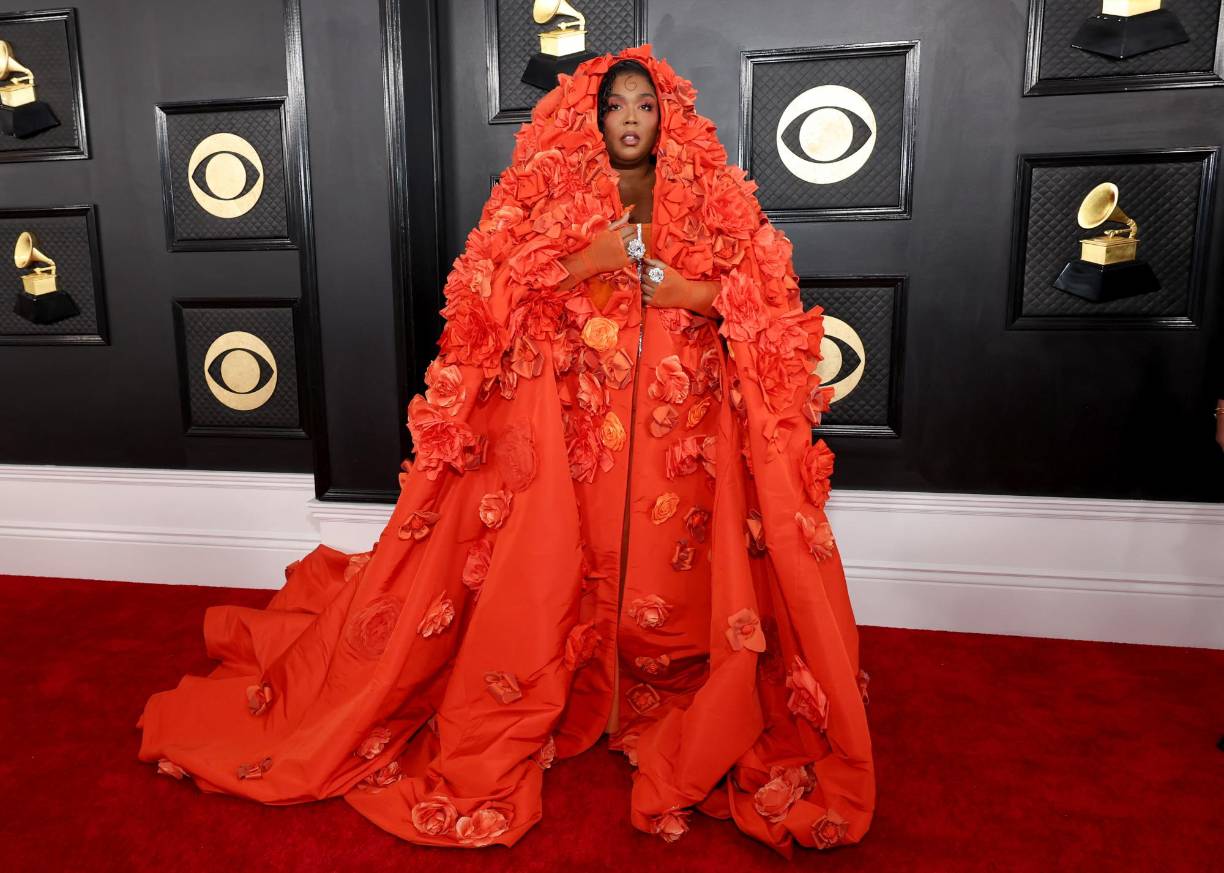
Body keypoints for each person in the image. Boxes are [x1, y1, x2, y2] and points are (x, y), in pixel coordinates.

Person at [136, 44, 875, 857]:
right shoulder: (551, 183)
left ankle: (656, 683)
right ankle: (580, 676)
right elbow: (495, 288)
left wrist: (685, 291)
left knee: (670, 565)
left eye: (643, 107)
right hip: (575, 422)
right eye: (614, 107)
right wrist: (584, 260)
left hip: (681, 428)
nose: (629, 121)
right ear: (591, 117)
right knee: (569, 561)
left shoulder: (705, 191)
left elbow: (765, 291)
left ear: (668, 116)